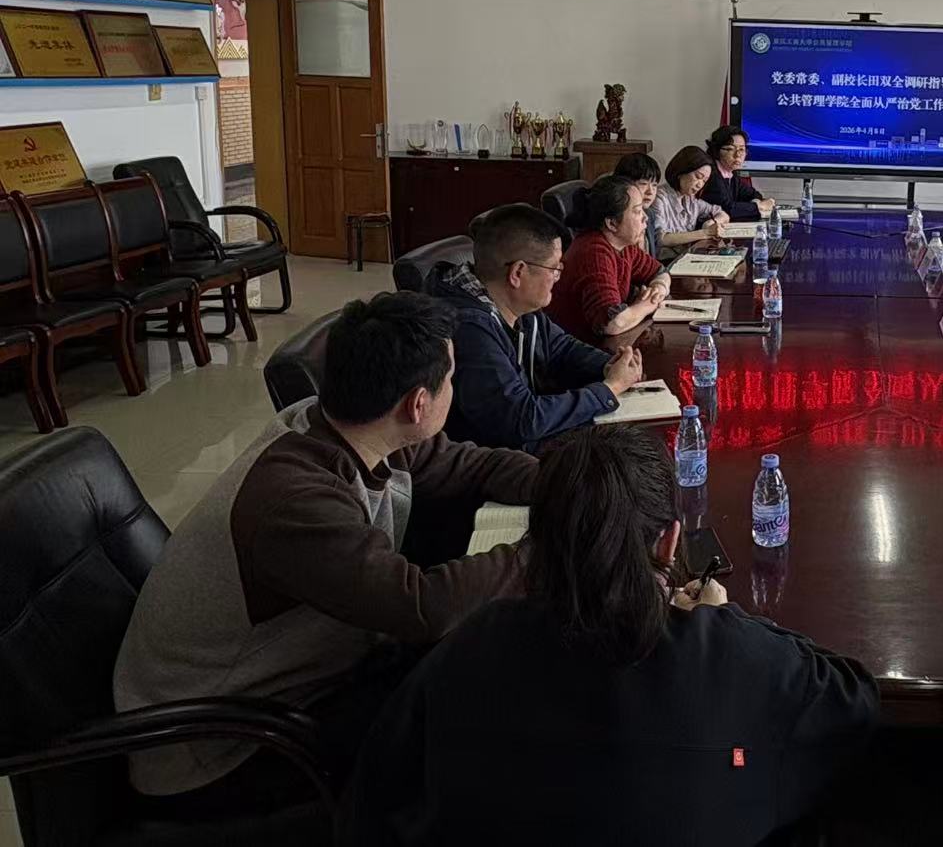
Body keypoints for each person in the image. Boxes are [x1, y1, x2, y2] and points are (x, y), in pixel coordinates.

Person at [341, 425, 881, 844]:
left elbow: (377, 796)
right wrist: (724, 620)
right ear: (669, 543)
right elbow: (853, 698)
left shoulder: (471, 645)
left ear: (537, 540)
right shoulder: (728, 654)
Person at [112, 292, 539, 809]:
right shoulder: (293, 499)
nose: (454, 387)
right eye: (450, 379)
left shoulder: (349, 423)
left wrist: (570, 484)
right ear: (418, 404)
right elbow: (420, 607)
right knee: (480, 726)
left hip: (297, 684)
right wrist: (540, 548)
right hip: (217, 747)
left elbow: (472, 465)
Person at [432, 203, 644, 452]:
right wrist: (609, 389)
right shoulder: (468, 329)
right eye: (554, 268)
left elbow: (561, 347)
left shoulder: (518, 306)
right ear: (518, 272)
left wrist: (609, 365)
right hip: (500, 462)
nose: (558, 277)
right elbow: (520, 419)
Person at [556, 175, 672, 341]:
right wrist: (648, 305)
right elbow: (612, 323)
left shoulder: (624, 245)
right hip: (582, 348)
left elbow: (660, 271)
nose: (645, 217)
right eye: (637, 211)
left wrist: (658, 289)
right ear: (612, 223)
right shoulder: (594, 253)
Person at [653, 144, 730, 259]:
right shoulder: (659, 197)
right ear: (682, 171)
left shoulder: (690, 199)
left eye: (704, 181)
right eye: (698, 177)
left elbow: (722, 213)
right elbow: (662, 239)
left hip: (686, 258)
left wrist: (712, 223)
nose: (700, 184)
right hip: (666, 262)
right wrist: (706, 232)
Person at [702, 123, 775, 222]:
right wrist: (759, 206)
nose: (738, 155)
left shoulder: (731, 173)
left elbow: (753, 194)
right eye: (730, 149)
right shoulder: (710, 174)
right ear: (716, 150)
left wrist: (756, 202)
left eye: (742, 149)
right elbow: (726, 208)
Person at [612, 151, 664, 257]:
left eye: (654, 185)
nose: (650, 191)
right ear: (624, 184)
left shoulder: (649, 214)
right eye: (643, 184)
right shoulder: (618, 218)